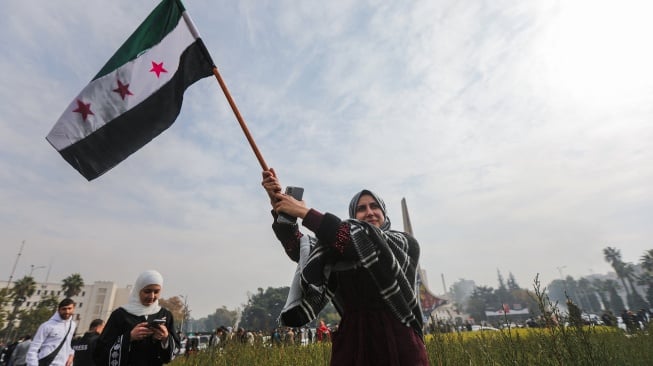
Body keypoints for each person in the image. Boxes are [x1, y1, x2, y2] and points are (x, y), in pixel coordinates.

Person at [262, 170, 429, 365]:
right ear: (354, 216)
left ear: (384, 213)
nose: (369, 212)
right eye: (361, 208)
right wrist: (282, 210)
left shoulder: (404, 243)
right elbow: (300, 250)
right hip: (352, 343)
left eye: (375, 206)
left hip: (400, 341)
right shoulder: (338, 247)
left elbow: (357, 242)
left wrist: (303, 212)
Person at [93, 270, 179, 366]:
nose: (152, 296)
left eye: (156, 292)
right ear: (138, 290)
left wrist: (165, 338)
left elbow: (172, 353)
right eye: (147, 291)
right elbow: (100, 351)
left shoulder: (165, 315)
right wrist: (129, 338)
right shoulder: (120, 315)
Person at [26, 298, 77, 366]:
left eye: (69, 308)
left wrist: (71, 355)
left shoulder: (73, 325)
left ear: (73, 309)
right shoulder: (47, 326)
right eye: (64, 309)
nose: (67, 311)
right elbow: (33, 348)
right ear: (59, 310)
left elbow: (69, 344)